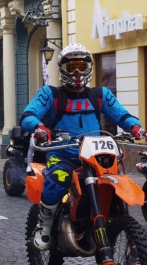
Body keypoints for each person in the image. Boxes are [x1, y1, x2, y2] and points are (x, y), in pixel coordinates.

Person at [20, 43, 146, 251]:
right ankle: (44, 225)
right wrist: (39, 126)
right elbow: (27, 115)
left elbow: (121, 114)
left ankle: (124, 233)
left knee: (116, 182)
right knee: (57, 180)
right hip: (62, 154)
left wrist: (135, 127)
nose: (77, 73)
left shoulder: (100, 94)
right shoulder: (50, 94)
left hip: (97, 155)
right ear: (62, 69)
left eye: (81, 66)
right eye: (71, 68)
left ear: (89, 67)